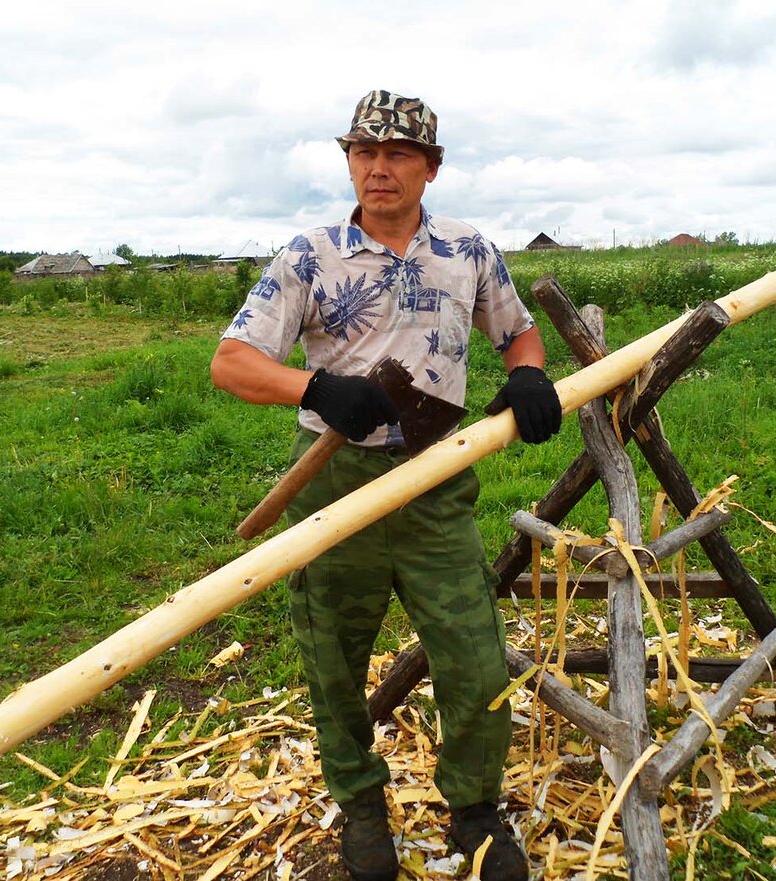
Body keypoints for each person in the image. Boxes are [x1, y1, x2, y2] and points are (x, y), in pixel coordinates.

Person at [211, 90, 562, 881]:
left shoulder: (468, 250)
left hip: (436, 480)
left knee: (474, 660)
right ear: (349, 162)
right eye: (363, 152)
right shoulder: (310, 255)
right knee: (333, 658)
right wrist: (313, 388)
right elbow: (231, 361)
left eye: (398, 154)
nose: (378, 168)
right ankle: (363, 809)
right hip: (337, 487)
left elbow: (518, 332)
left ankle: (475, 812)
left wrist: (530, 373)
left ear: (430, 169)